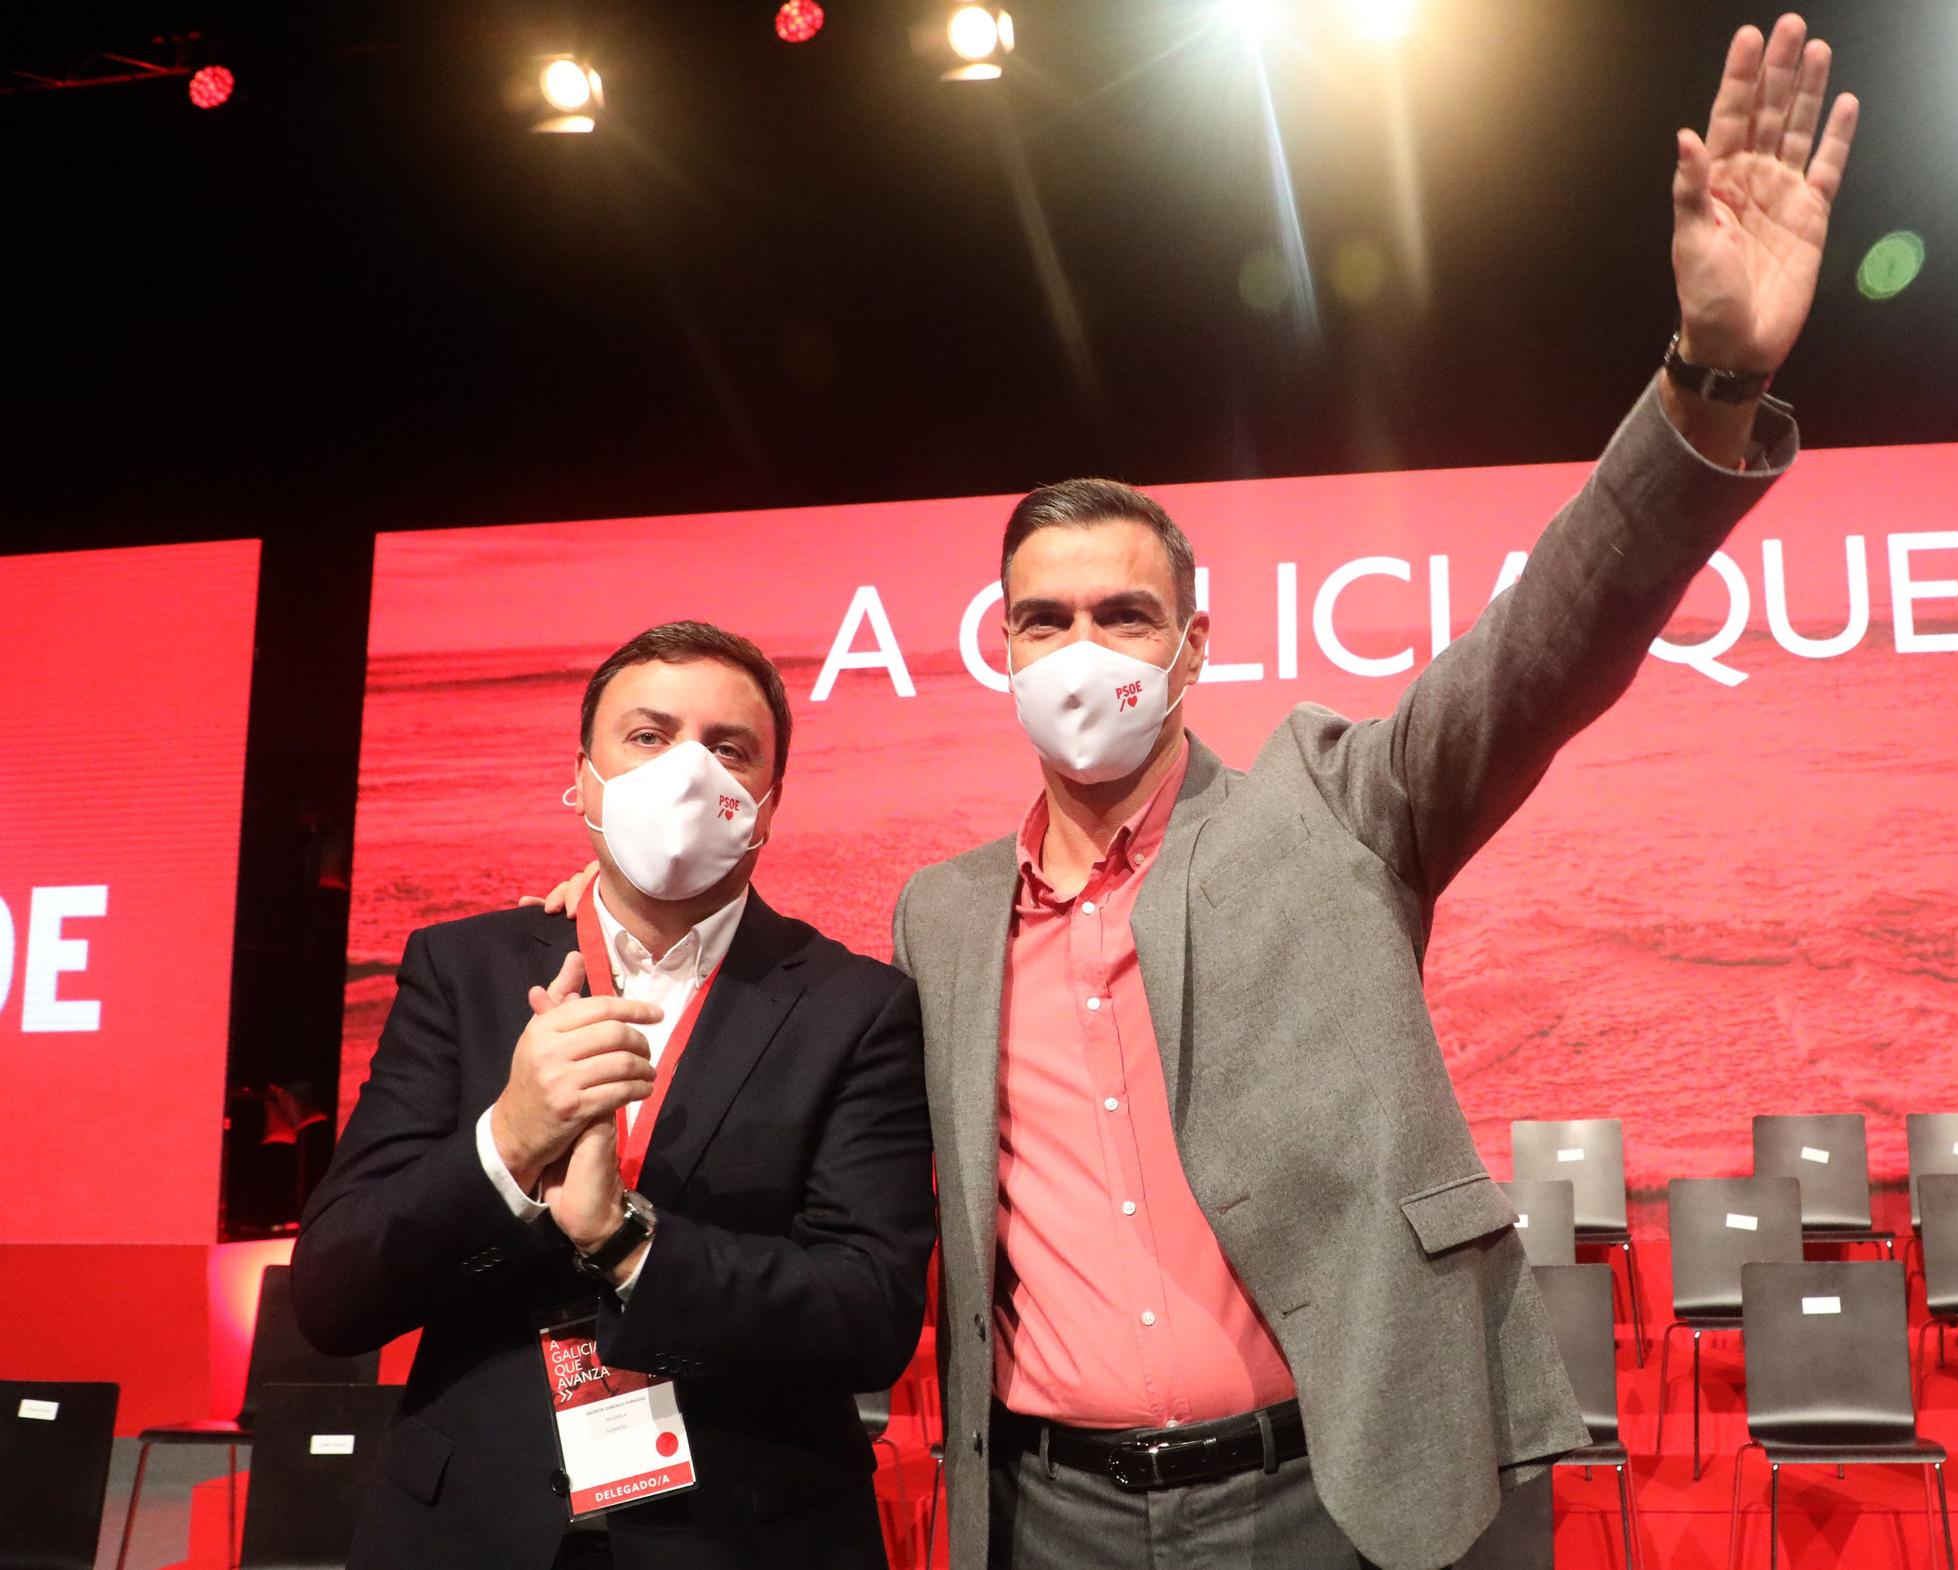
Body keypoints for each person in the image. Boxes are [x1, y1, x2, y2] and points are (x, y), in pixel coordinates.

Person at [543, 17, 1859, 1567]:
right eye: (1046, 619)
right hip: (1052, 1509)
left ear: (1192, 647)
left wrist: (1711, 377)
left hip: (1344, 1485)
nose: (1082, 649)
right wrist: (616, 943)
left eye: (1125, 615)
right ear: (1001, 645)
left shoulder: (1341, 800)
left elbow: (1549, 640)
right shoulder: (941, 916)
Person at [296, 621, 934, 1570]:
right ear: (583, 777)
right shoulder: (461, 969)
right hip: (470, 1529)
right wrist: (505, 1146)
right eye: (649, 736)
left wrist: (627, 1242)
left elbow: (866, 1314)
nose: (688, 773)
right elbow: (334, 1294)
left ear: (767, 803)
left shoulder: (856, 1005)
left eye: (729, 749)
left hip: (740, 1537)